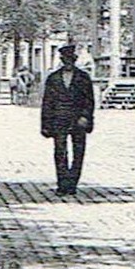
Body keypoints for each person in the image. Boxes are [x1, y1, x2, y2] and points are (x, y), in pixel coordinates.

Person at [40, 44, 96, 195]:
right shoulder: (53, 78)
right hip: (59, 119)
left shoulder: (83, 77)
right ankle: (62, 183)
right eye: (65, 59)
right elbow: (47, 102)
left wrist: (86, 117)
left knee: (78, 152)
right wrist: (45, 124)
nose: (68, 62)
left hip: (78, 119)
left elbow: (89, 100)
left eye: (71, 59)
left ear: (75, 60)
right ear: (62, 60)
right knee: (60, 152)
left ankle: (72, 183)